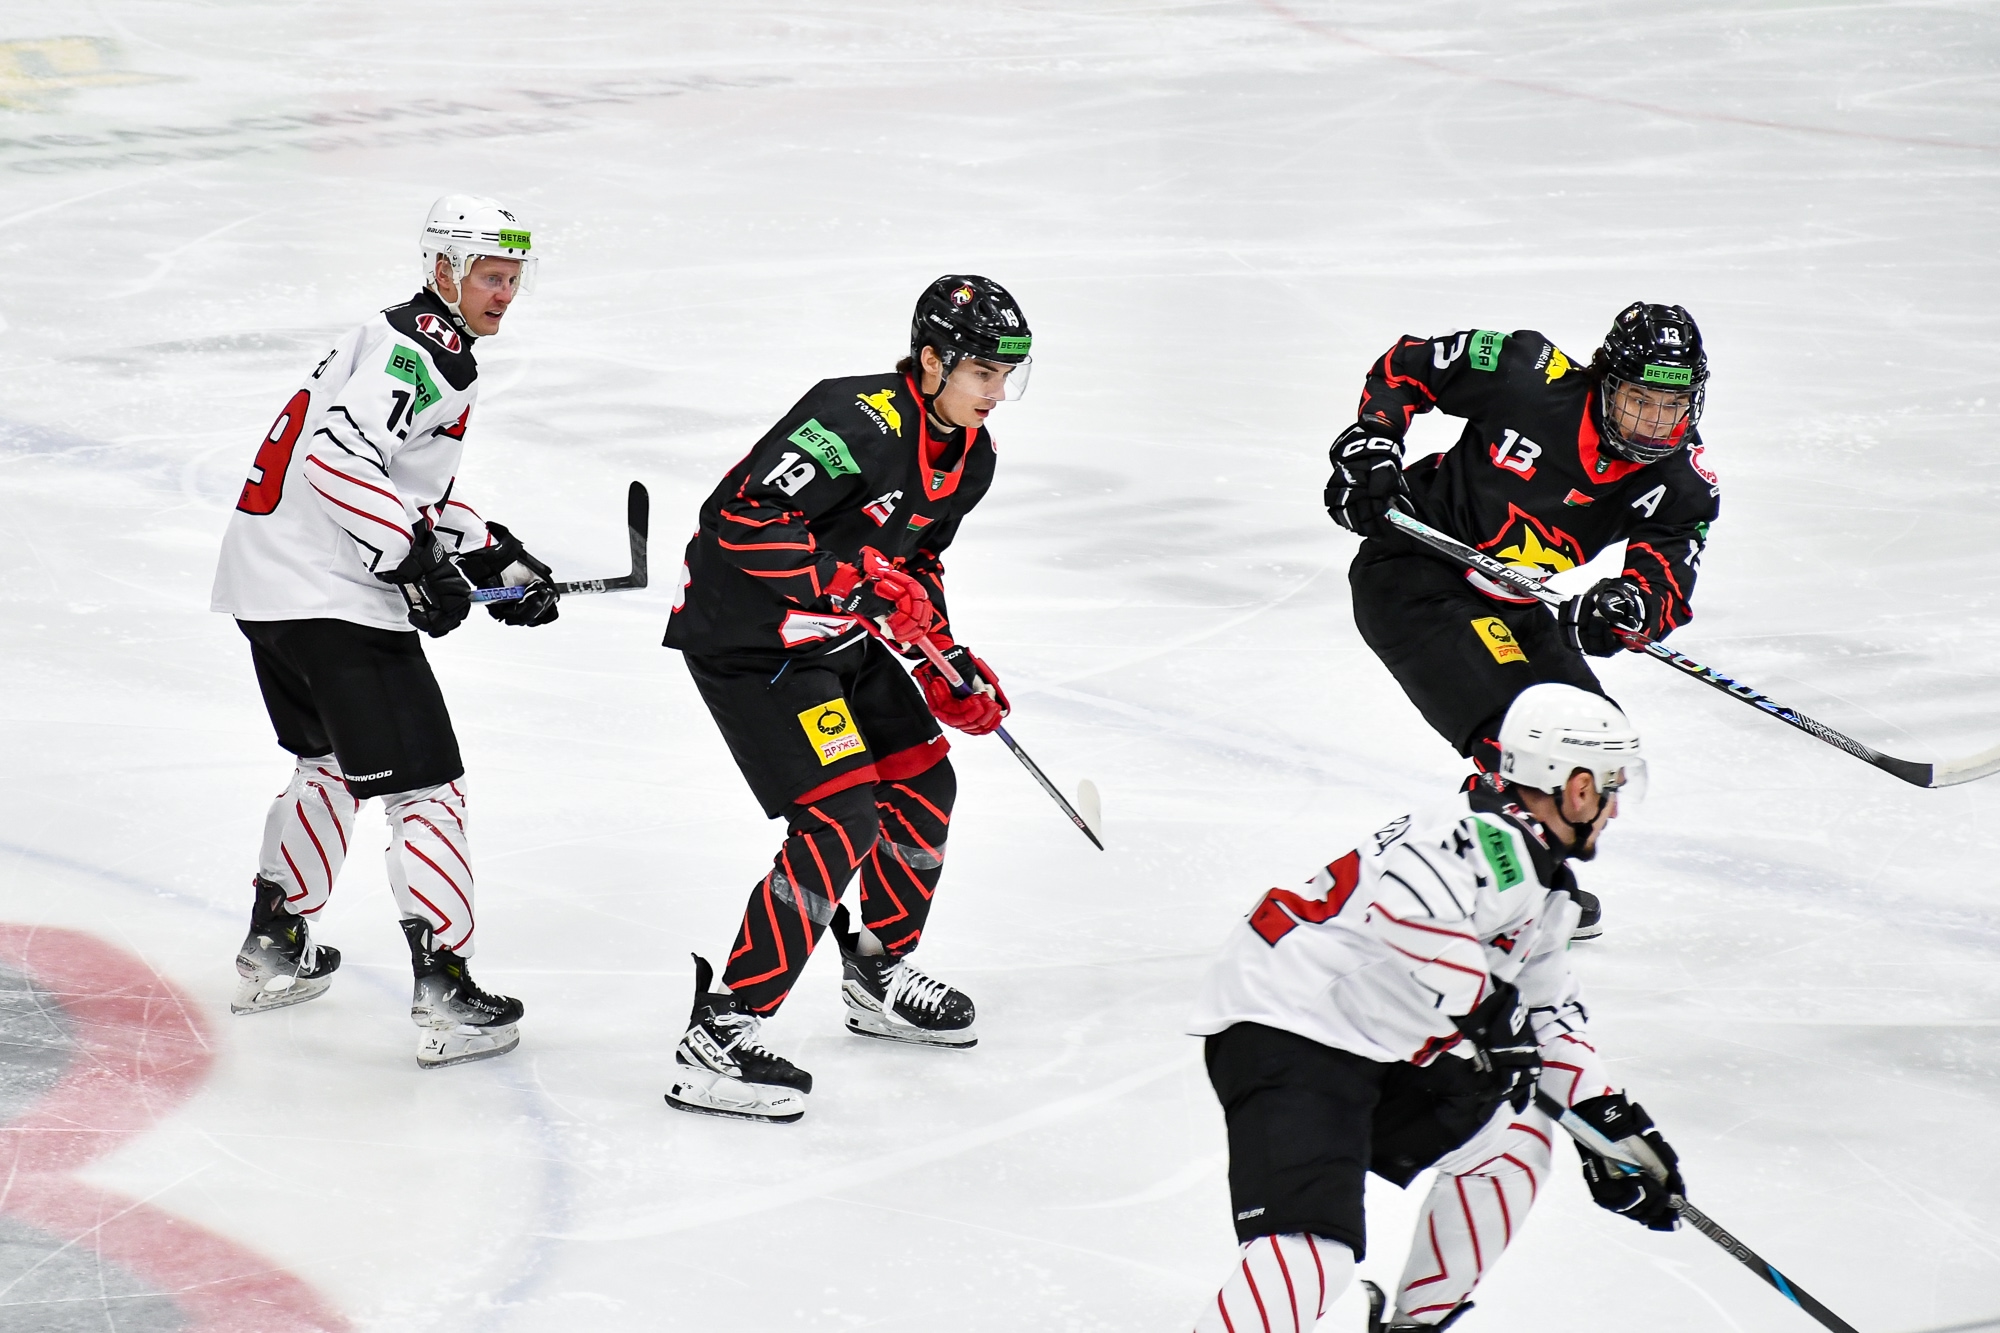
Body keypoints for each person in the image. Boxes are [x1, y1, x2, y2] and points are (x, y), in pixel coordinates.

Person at [1186, 684, 1687, 1331]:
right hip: (1294, 1023)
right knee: (1313, 1257)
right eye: (1612, 787)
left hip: (1375, 1040)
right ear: (1578, 786)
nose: (1615, 807)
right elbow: (1408, 912)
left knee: (1513, 1146)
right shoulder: (1479, 836)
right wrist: (1487, 1009)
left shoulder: (1541, 879)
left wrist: (1609, 1122)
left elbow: (1547, 1012)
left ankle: (1413, 1326)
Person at [660, 275, 1032, 1123]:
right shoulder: (853, 418)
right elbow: (738, 519)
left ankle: (877, 971)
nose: (997, 393)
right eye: (984, 372)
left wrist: (943, 658)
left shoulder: (971, 455)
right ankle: (720, 1033)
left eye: (1008, 375)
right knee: (840, 818)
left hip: (834, 633)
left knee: (925, 779)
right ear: (931, 360)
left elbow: (915, 560)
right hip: (752, 637)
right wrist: (851, 582)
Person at [210, 195, 561, 1069]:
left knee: (326, 764)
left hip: (268, 585)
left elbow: (397, 478)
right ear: (443, 268)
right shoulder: (424, 349)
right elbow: (338, 458)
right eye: (490, 275)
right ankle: (447, 989)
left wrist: (487, 551)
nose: (506, 292)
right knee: (427, 790)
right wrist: (411, 560)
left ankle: (276, 944)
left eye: (514, 276)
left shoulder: (392, 333)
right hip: (332, 599)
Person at [1326, 303, 1720, 778]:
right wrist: (1373, 440)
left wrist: (1629, 607)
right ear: (1607, 384)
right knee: (1534, 752)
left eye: (1674, 405)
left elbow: (1664, 582)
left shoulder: (1681, 483)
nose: (1655, 424)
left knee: (1599, 754)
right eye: (1640, 400)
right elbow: (1410, 365)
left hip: (1516, 603)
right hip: (1413, 574)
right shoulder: (1529, 373)